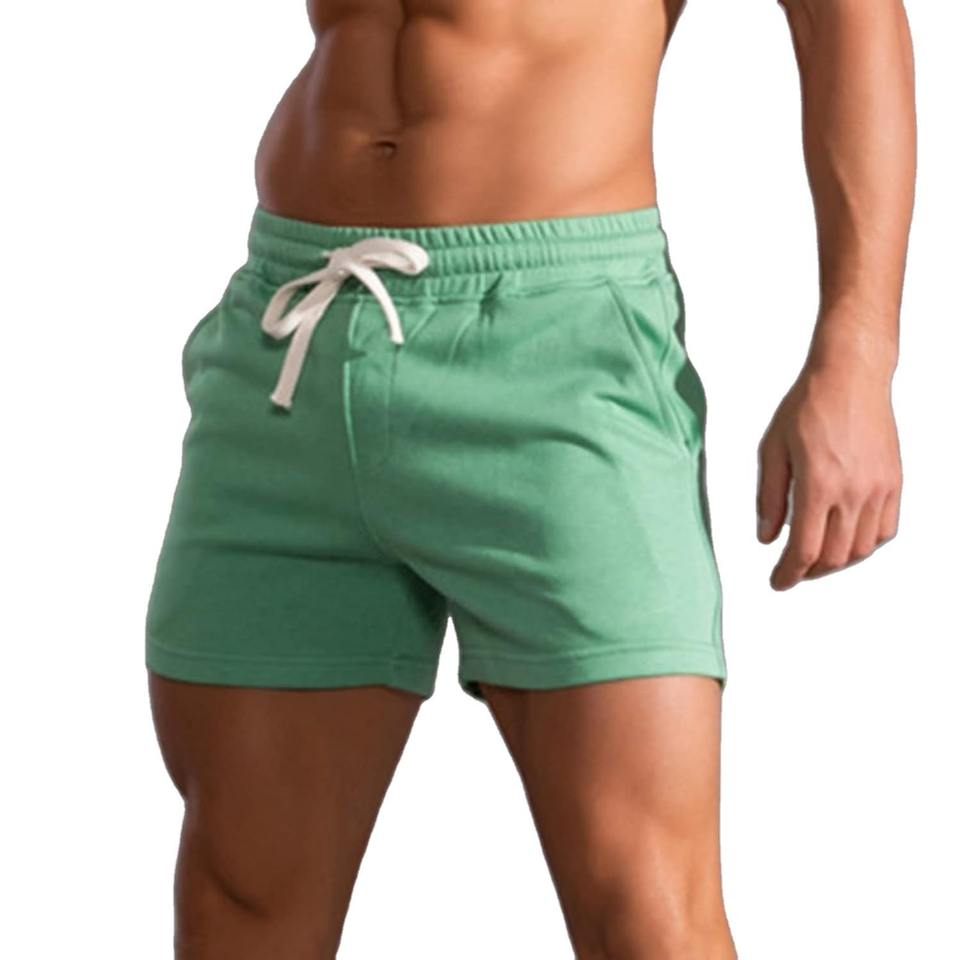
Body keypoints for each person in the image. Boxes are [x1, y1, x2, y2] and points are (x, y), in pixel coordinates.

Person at [145, 1, 915, 956]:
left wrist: (858, 354)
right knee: (242, 896)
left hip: (560, 349)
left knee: (648, 915)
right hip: (293, 339)